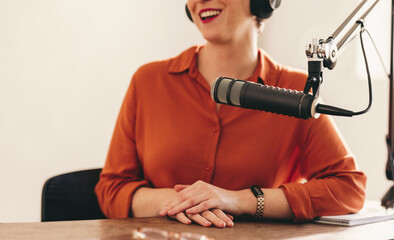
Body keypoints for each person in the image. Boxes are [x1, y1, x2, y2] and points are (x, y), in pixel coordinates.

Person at [95, 0, 366, 228]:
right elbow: (111, 188)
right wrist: (186, 201)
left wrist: (239, 200)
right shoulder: (148, 82)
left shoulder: (296, 93)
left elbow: (349, 188)